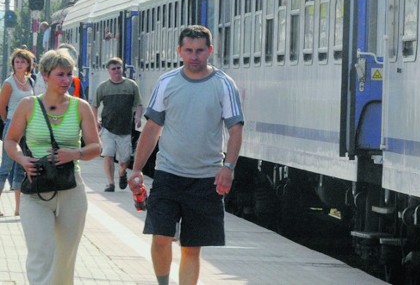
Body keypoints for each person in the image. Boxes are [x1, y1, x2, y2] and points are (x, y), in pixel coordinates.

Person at [129, 25, 244, 285]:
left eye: (200, 51)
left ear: (210, 51)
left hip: (206, 178)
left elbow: (235, 129)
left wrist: (229, 166)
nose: (194, 56)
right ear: (179, 51)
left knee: (191, 247)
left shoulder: (223, 85)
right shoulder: (167, 82)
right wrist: (136, 169)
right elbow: (152, 128)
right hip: (169, 174)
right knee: (160, 237)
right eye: (189, 50)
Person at [4, 49, 101, 285]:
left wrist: (74, 153)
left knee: (65, 258)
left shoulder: (81, 107)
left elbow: (96, 147)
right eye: (60, 75)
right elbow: (11, 140)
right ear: (45, 76)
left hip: (71, 189)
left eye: (69, 74)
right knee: (41, 252)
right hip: (36, 188)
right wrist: (22, 160)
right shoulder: (28, 106)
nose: (66, 80)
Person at [92, 57, 142, 192]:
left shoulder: (131, 86)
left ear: (122, 69)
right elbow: (94, 106)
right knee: (108, 154)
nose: (117, 71)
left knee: (124, 160)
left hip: (125, 129)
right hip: (108, 127)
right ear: (108, 71)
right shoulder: (103, 87)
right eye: (113, 69)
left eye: (119, 68)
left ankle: (122, 173)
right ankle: (110, 183)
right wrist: (95, 119)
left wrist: (138, 117)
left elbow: (138, 104)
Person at [0, 48, 36, 216]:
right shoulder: (9, 82)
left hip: (28, 127)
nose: (19, 64)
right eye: (17, 62)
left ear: (28, 64)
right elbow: (1, 106)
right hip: (12, 125)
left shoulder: (31, 81)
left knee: (22, 166)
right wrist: (9, 121)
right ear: (13, 64)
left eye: (22, 61)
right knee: (5, 166)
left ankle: (18, 208)